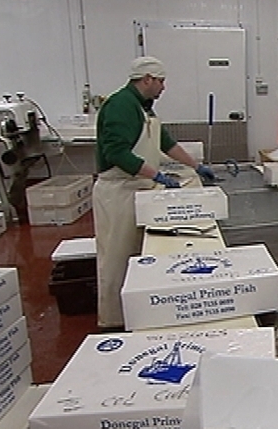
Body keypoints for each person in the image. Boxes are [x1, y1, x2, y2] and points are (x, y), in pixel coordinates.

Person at [92, 56, 215, 329]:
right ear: (146, 79)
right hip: (119, 192)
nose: (163, 87)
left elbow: (165, 143)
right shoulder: (120, 105)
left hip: (138, 188)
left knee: (139, 255)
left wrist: (197, 166)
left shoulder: (143, 107)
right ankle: (114, 319)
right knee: (117, 258)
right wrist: (156, 175)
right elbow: (116, 153)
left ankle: (137, 312)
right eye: (160, 81)